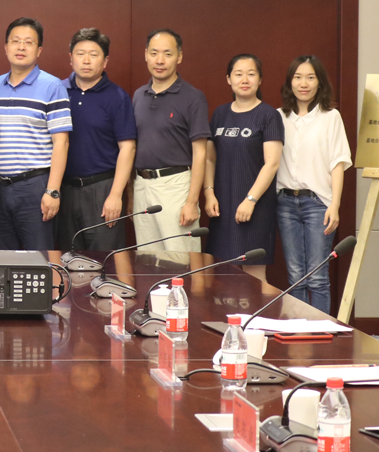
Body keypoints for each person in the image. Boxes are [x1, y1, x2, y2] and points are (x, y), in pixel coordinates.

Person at [0, 18, 71, 259]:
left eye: (29, 42)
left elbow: (61, 143)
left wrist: (53, 191)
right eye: (15, 41)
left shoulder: (52, 86)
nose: (21, 47)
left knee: (39, 260)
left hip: (35, 187)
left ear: (39, 50)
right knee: (1, 261)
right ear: (6, 47)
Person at [276, 55, 352, 313]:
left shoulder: (331, 117)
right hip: (285, 203)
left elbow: (337, 163)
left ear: (320, 82)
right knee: (295, 276)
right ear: (290, 82)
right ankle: (298, 330)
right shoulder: (279, 117)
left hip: (318, 204)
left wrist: (335, 205)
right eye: (298, 77)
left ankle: (321, 332)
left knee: (318, 277)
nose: (303, 83)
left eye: (310, 77)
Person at [58, 29, 136, 276]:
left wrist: (116, 195)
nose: (86, 60)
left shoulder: (117, 97)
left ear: (105, 61)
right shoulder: (58, 91)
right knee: (67, 263)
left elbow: (128, 148)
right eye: (80, 53)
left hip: (102, 190)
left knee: (105, 264)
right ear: (71, 58)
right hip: (64, 190)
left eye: (94, 54)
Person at [203, 54, 283, 290]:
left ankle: (259, 317)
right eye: (238, 74)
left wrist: (250, 200)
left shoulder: (269, 115)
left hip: (255, 207)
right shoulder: (220, 114)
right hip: (222, 206)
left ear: (260, 79)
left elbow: (272, 164)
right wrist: (209, 192)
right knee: (221, 276)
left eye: (251, 74)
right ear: (229, 79)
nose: (244, 80)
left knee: (254, 277)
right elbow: (209, 158)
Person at [131, 29, 211, 263]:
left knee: (180, 259)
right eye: (154, 53)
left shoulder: (193, 97)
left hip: (175, 187)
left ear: (179, 57)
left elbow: (200, 153)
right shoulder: (139, 96)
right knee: (147, 260)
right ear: (145, 55)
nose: (160, 60)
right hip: (141, 186)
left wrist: (192, 202)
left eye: (167, 54)